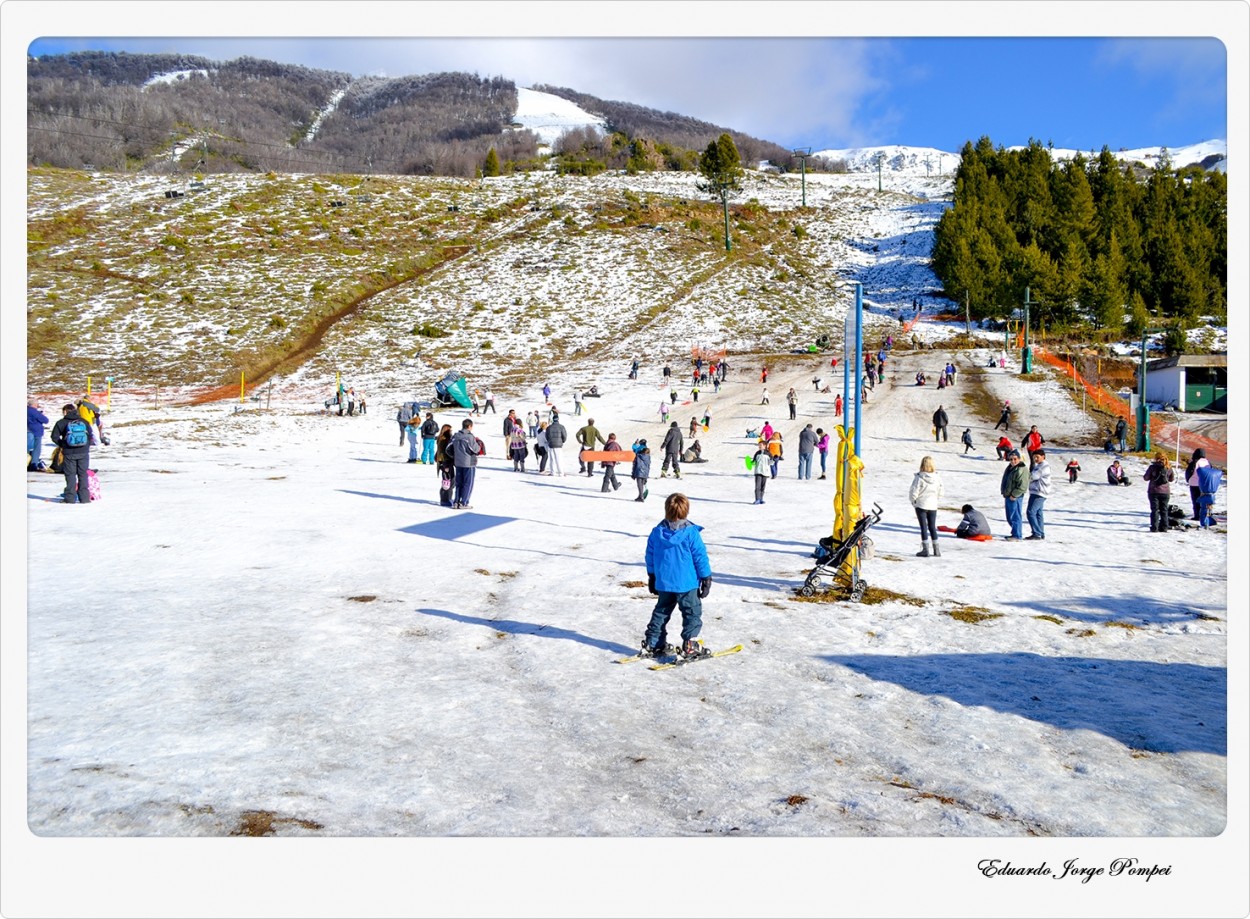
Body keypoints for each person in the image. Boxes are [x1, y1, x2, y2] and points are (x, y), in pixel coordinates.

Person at [641, 493, 713, 660]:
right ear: (686, 510)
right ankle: (690, 645)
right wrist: (706, 577)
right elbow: (700, 556)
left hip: (664, 582)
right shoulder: (691, 533)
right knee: (691, 612)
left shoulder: (656, 532)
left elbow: (650, 555)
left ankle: (653, 642)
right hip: (686, 584)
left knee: (661, 611)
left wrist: (652, 576)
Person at [50, 402, 94, 504]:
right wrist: (86, 446)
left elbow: (54, 437)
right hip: (83, 452)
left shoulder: (61, 423)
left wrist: (63, 444)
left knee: (70, 475)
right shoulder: (84, 421)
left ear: (65, 412)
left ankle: (70, 498)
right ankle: (85, 498)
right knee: (83, 474)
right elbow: (90, 436)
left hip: (69, 453)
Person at [909, 455, 945, 557]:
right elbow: (941, 491)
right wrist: (936, 498)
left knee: (923, 527)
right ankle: (936, 549)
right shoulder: (937, 477)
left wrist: (913, 501)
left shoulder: (919, 477)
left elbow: (913, 491)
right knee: (932, 527)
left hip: (921, 504)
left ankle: (925, 549)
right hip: (933, 504)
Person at [450, 419, 480, 509]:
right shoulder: (470, 437)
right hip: (468, 463)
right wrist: (478, 444)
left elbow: (449, 448)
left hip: (458, 462)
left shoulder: (456, 435)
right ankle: (464, 502)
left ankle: (456, 501)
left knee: (459, 482)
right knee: (468, 483)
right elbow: (476, 449)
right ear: (470, 426)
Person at [1143, 451, 1175, 532]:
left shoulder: (1152, 467)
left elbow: (1146, 478)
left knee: (1155, 510)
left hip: (1154, 491)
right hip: (1165, 492)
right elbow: (1171, 479)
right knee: (1164, 510)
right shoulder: (1168, 467)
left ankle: (1154, 527)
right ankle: (1164, 527)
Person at [1000, 450, 1027, 540]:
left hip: (1015, 497)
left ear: (1019, 459)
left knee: (1015, 516)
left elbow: (1023, 485)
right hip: (1008, 495)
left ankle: (1017, 535)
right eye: (1011, 459)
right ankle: (1014, 532)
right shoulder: (1010, 468)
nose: (1013, 461)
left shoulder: (1021, 469)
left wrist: (1014, 495)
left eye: (1015, 459)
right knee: (1009, 516)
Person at [1025, 449, 1051, 540]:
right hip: (1037, 492)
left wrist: (1024, 474)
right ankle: (1041, 532)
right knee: (1038, 513)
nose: (1035, 459)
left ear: (1043, 456)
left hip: (1039, 492)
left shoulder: (1043, 466)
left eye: (1037, 457)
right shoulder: (1039, 465)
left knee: (1031, 512)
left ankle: (1037, 533)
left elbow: (1033, 476)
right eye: (1034, 457)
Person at [1184, 449, 1210, 520]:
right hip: (1204, 484)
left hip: (1194, 484)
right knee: (1203, 500)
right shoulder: (1207, 462)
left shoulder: (1195, 462)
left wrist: (1188, 480)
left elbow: (1189, 472)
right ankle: (1204, 515)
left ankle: (1197, 516)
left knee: (1195, 500)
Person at [435, 423, 455, 507]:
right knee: (448, 482)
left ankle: (446, 498)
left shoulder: (441, 438)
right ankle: (445, 499)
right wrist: (445, 465)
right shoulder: (445, 439)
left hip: (444, 463)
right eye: (450, 430)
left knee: (448, 482)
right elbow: (444, 453)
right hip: (446, 463)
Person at [27, 399, 49, 471]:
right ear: (34, 405)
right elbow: (45, 420)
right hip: (36, 432)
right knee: (36, 449)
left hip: (27, 431)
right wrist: (41, 415)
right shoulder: (35, 412)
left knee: (27, 449)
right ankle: (33, 465)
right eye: (37, 404)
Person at [750, 439, 770, 504]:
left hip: (765, 472)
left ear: (765, 446)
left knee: (763, 486)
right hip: (758, 471)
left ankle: (761, 499)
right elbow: (754, 462)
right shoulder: (757, 453)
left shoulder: (768, 453)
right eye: (759, 445)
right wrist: (750, 463)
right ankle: (757, 499)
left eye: (761, 445)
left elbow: (771, 462)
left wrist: (774, 459)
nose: (759, 446)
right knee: (757, 486)